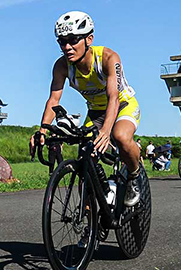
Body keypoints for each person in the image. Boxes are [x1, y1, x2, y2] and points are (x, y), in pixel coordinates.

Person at [33, 11, 143, 205]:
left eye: (73, 40)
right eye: (62, 42)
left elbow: (114, 97)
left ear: (89, 39)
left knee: (121, 137)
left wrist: (105, 132)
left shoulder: (108, 58)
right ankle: (91, 221)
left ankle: (134, 176)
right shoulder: (62, 66)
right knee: (85, 159)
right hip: (95, 112)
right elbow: (53, 100)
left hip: (123, 105)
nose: (67, 47)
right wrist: (42, 131)